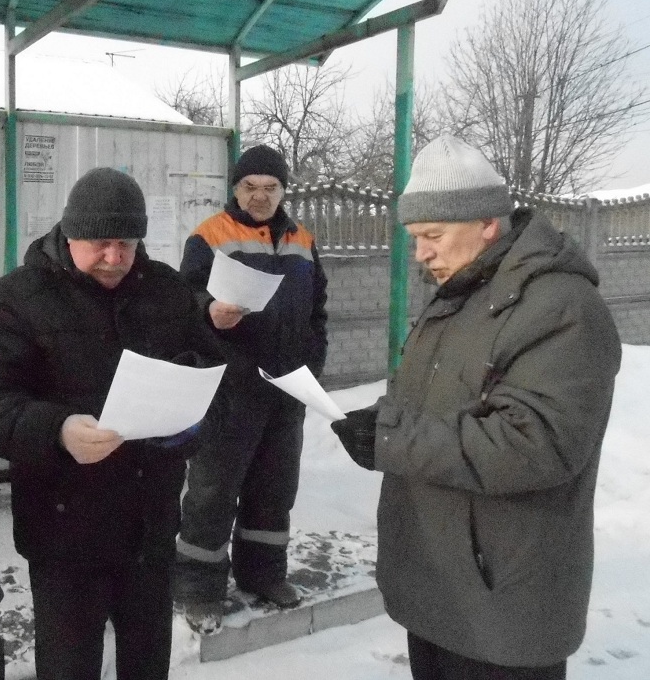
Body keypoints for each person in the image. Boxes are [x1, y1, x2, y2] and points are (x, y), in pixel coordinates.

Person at [330, 135, 621, 680]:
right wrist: (381, 422)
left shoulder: (561, 307)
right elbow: (438, 402)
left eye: (433, 236)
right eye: (416, 238)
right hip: (440, 588)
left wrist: (393, 439)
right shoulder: (459, 293)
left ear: (488, 223)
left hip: (502, 604)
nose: (421, 254)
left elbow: (535, 443)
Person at [0, 168, 226, 680]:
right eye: (101, 243)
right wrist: (55, 430)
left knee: (147, 662)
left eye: (127, 243)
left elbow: (206, 365)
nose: (115, 257)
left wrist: (189, 418)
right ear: (69, 234)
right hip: (64, 531)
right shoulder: (18, 297)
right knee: (69, 665)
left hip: (150, 522)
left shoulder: (165, 290)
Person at [173, 144, 328, 628]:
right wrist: (207, 311)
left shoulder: (303, 239)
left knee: (275, 488)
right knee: (213, 491)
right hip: (230, 389)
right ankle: (199, 589)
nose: (260, 196)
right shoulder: (209, 236)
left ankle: (263, 575)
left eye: (270, 188)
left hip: (287, 387)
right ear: (235, 189)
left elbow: (317, 309)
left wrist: (312, 363)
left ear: (283, 190)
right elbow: (184, 302)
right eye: (250, 187)